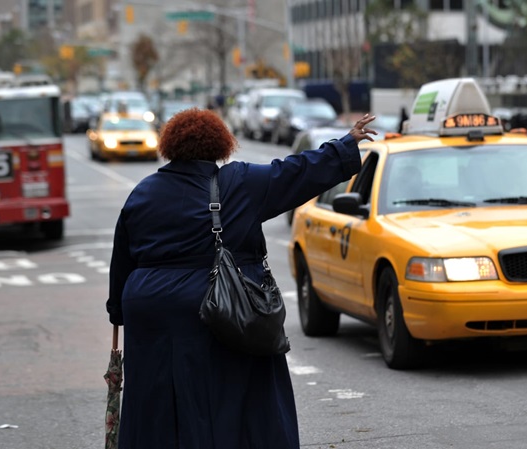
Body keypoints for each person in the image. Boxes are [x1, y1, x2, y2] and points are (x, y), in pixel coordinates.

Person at [106, 108, 377, 448]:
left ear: (170, 145)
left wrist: (118, 312)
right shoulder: (238, 183)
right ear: (220, 145)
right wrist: (345, 144)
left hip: (150, 312)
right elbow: (295, 173)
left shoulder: (143, 192)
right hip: (219, 308)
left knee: (157, 403)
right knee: (232, 400)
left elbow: (123, 258)